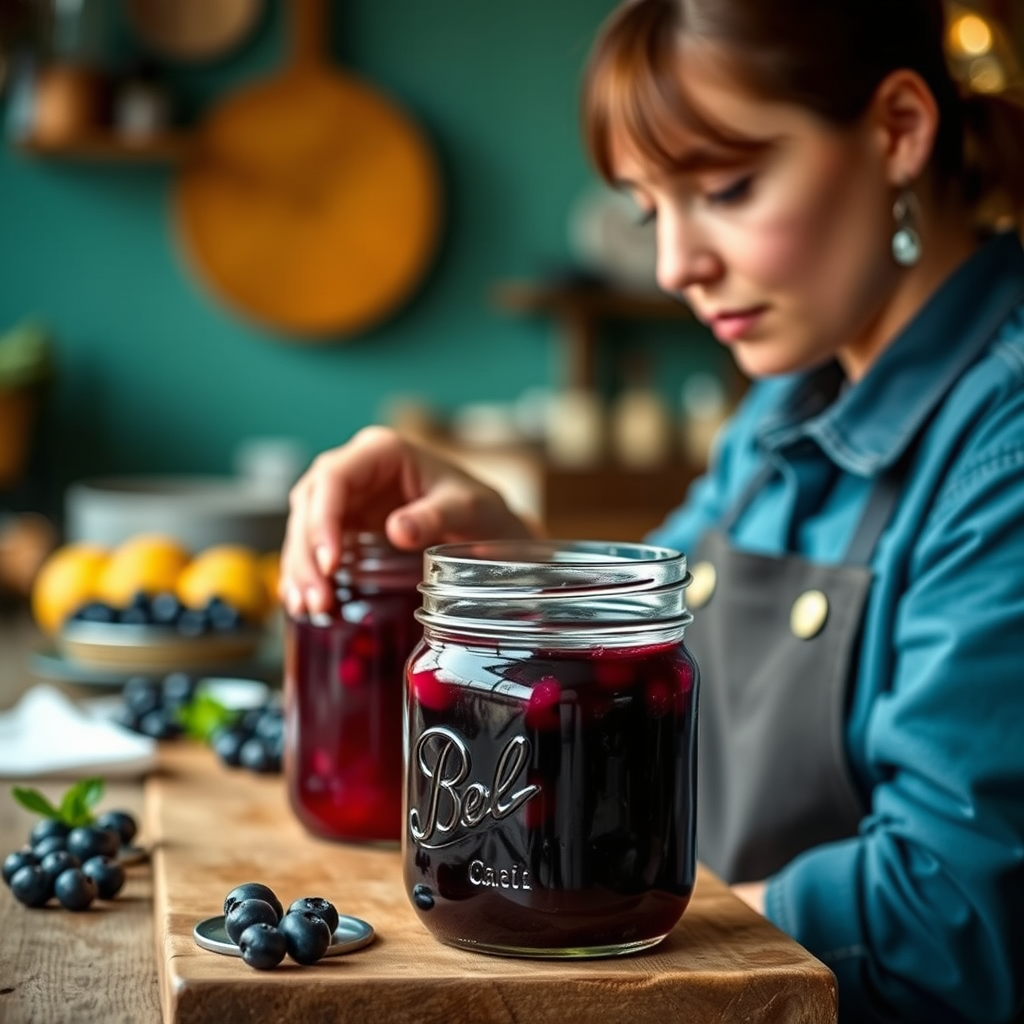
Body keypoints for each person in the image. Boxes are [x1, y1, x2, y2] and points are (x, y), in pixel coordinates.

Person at [281, 2, 1024, 1020]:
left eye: (727, 188)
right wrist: (509, 555)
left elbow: (951, 921)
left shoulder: (1003, 447)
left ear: (896, 129)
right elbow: (635, 679)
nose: (675, 265)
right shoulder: (781, 409)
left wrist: (632, 945)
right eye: (648, 209)